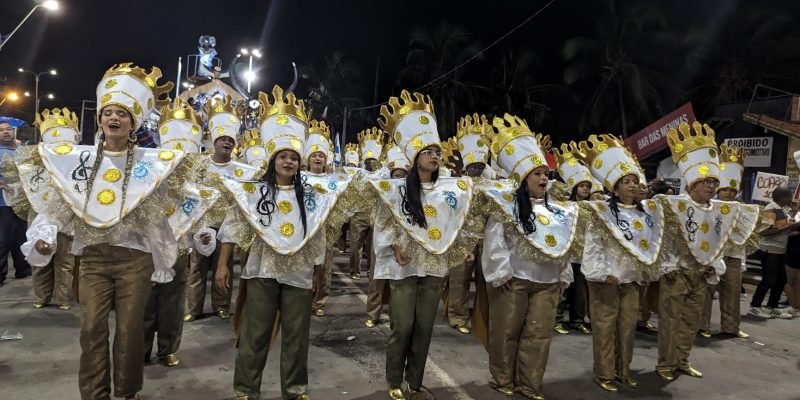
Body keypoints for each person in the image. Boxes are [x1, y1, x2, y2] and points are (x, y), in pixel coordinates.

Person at [15, 63, 217, 399]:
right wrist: (44, 237)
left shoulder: (152, 163)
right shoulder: (77, 162)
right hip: (92, 259)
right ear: (100, 120)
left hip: (135, 260)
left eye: (122, 114)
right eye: (108, 112)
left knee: (129, 330)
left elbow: (184, 204)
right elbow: (56, 205)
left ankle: (126, 392)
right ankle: (94, 394)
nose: (114, 118)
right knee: (91, 329)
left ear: (133, 123)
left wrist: (200, 234)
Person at [217, 85, 353, 400]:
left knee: (297, 335)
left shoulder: (312, 196)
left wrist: (318, 271)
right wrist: (223, 264)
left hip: (300, 274)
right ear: (273, 160)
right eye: (283, 157)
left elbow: (316, 235)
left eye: (294, 157)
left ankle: (294, 389)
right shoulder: (254, 191)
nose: (289, 162)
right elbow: (232, 228)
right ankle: (246, 388)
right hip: (262, 272)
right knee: (256, 333)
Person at [373, 90, 481, 400]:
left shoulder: (451, 188)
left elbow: (461, 218)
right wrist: (394, 247)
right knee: (403, 326)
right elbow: (383, 221)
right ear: (414, 156)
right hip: (404, 263)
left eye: (437, 151)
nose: (435, 156)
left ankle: (415, 381)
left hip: (434, 263)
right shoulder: (396, 189)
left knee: (424, 328)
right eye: (428, 151)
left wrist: (461, 245)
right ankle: (394, 379)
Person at [480, 114, 577, 400]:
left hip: (548, 282)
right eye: (537, 173)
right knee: (506, 332)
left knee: (540, 335)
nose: (543, 178)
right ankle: (502, 379)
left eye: (546, 174)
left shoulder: (560, 210)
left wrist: (564, 274)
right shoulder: (506, 206)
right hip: (515, 280)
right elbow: (494, 242)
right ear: (523, 179)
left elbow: (564, 244)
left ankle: (530, 384)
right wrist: (501, 273)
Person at [655, 121, 760, 381]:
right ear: (691, 183)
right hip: (677, 272)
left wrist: (715, 265)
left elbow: (720, 241)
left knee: (691, 321)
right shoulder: (672, 205)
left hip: (701, 274)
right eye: (705, 182)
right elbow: (662, 238)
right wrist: (666, 265)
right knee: (670, 320)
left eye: (714, 182)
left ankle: (682, 360)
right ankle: (665, 363)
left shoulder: (721, 210)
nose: (711, 187)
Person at [574, 135, 666, 391]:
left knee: (626, 329)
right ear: (614, 189)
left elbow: (647, 247)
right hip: (606, 281)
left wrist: (646, 270)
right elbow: (593, 247)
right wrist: (604, 274)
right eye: (626, 182)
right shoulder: (601, 212)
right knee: (604, 329)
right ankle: (604, 374)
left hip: (631, 281)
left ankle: (623, 371)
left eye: (635, 181)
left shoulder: (645, 214)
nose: (633, 186)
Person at [440, 113, 493, 335]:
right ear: (466, 166)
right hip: (461, 238)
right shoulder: (455, 185)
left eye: (480, 167)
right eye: (473, 167)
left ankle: (483, 317)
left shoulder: (492, 187)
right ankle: (457, 316)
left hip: (486, 239)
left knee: (487, 281)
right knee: (459, 280)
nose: (477, 171)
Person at [700, 144, 756, 337]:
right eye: (726, 190)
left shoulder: (742, 210)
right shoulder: (707, 206)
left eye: (733, 191)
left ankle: (731, 327)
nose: (729, 194)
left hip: (733, 256)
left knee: (732, 293)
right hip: (712, 256)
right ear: (718, 190)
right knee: (707, 292)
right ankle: (702, 326)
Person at [27, 108, 80, 308]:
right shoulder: (34, 165)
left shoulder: (78, 166)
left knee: (65, 261)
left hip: (68, 218)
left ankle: (63, 299)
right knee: (40, 258)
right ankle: (41, 297)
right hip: (39, 215)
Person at [364, 142, 409, 328]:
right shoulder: (381, 188)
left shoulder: (410, 190)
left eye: (403, 175)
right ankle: (372, 313)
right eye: (396, 175)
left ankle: (394, 316)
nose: (399, 179)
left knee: (398, 278)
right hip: (382, 238)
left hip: (404, 238)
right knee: (378, 277)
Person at [552, 143, 594, 335]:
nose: (585, 189)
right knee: (564, 288)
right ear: (575, 187)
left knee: (580, 291)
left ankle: (577, 319)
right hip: (568, 251)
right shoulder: (566, 206)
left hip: (584, 253)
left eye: (587, 186)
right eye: (582, 186)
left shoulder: (593, 208)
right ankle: (557, 319)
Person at [749, 187, 798, 319]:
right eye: (789, 197)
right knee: (768, 279)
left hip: (780, 250)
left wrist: (791, 226)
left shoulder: (782, 209)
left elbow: (782, 228)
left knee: (781, 280)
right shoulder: (771, 209)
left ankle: (772, 306)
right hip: (769, 250)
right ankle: (755, 306)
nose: (791, 199)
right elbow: (764, 232)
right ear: (783, 198)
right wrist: (790, 227)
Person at [306, 120, 335, 317]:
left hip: (326, 228)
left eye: (321, 156)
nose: (318, 158)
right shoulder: (299, 178)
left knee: (324, 266)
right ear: (307, 159)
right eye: (314, 155)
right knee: (306, 264)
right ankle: (302, 297)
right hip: (304, 228)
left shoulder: (333, 181)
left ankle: (319, 302)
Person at [347, 130, 383, 280]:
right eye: (368, 161)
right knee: (355, 247)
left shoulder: (383, 174)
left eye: (373, 160)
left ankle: (371, 270)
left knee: (374, 248)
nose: (371, 163)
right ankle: (355, 270)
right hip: (358, 214)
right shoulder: (355, 173)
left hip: (376, 215)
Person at [0, 120, 32, 285]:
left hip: (22, 201)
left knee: (20, 236)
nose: (5, 132)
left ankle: (23, 268)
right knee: (3, 238)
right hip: (2, 203)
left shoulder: (22, 150)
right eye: (1, 130)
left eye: (8, 129)